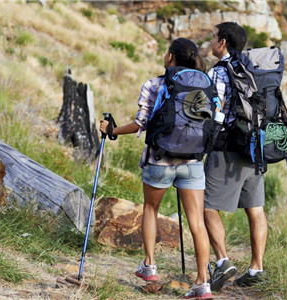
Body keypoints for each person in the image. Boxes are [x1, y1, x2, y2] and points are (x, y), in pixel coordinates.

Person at [100, 38, 213, 299]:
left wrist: (111, 131)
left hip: (160, 160)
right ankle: (202, 284)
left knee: (151, 209)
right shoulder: (205, 85)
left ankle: (150, 267)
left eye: (166, 52)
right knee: (197, 222)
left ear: (171, 57)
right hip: (193, 161)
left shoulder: (154, 84)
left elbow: (141, 123)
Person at [204, 22, 268, 291]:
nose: (210, 42)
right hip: (255, 147)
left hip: (227, 147)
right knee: (255, 209)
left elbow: (214, 112)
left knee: (206, 205)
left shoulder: (218, 72)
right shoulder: (252, 69)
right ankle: (256, 268)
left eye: (213, 38)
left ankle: (222, 262)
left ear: (223, 43)